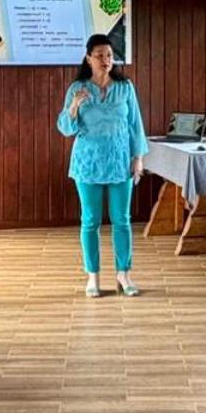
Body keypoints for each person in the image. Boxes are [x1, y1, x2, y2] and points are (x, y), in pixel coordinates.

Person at [56, 33, 149, 298]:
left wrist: (138, 158)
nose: (105, 60)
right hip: (88, 162)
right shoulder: (77, 88)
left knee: (122, 220)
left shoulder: (125, 87)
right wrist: (74, 106)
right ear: (88, 58)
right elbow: (65, 128)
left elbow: (135, 124)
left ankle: (123, 274)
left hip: (121, 161)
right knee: (90, 221)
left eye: (109, 55)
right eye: (99, 55)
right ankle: (93, 277)